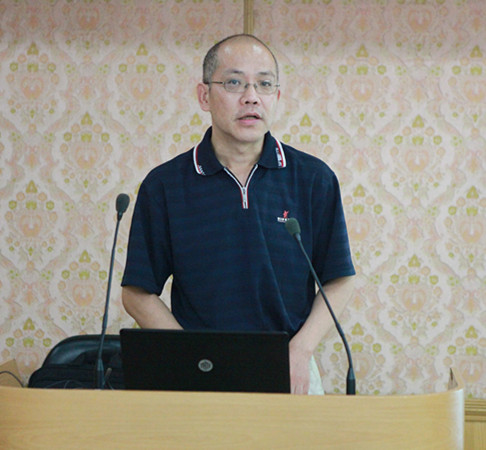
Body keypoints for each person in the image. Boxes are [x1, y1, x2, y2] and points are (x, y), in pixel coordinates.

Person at [121, 34, 355, 395]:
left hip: (289, 362)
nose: (251, 96)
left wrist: (301, 349)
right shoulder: (165, 185)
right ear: (204, 96)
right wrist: (188, 355)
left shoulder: (313, 179)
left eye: (264, 84)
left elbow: (339, 280)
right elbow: (137, 292)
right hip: (197, 368)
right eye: (234, 83)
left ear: (277, 96)